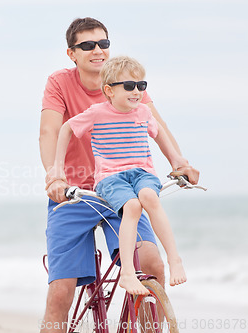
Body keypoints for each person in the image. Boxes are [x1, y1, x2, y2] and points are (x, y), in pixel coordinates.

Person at [39, 17, 199, 332]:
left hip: (124, 190)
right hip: (75, 194)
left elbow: (156, 125)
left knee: (151, 264)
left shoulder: (127, 82)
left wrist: (179, 161)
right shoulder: (59, 82)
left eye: (103, 44)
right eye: (88, 45)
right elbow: (51, 130)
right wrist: (54, 175)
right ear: (72, 53)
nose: (98, 50)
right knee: (61, 290)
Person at [49, 55, 188, 296]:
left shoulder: (143, 112)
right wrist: (57, 169)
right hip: (111, 177)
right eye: (129, 86)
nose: (137, 91)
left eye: (141, 85)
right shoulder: (97, 113)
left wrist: (177, 161)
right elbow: (66, 128)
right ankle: (127, 274)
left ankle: (175, 259)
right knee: (132, 206)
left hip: (142, 173)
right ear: (109, 91)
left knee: (150, 198)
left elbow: (159, 134)